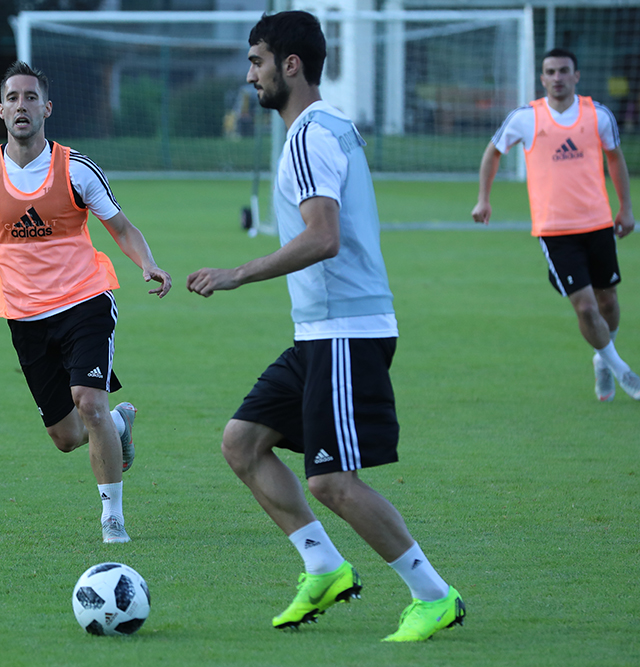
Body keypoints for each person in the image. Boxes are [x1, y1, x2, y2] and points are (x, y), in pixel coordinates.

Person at [186, 11, 464, 642]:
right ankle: (324, 567)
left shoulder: (311, 134)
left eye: (257, 62)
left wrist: (237, 273)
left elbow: (324, 236)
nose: (250, 76)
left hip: (346, 330)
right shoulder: (327, 126)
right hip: (320, 332)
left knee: (332, 480)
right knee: (242, 442)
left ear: (291, 65)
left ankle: (434, 595)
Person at [0, 61, 172, 544]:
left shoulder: (76, 169)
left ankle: (113, 520)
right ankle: (119, 424)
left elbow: (121, 228)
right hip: (25, 316)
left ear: (46, 108)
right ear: (0, 110)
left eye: (31, 97)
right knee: (67, 436)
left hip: (85, 299)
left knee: (89, 401)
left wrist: (147, 263)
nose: (21, 106)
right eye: (13, 98)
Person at [472, 48, 640, 403]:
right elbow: (493, 152)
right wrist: (483, 198)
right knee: (585, 306)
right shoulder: (525, 118)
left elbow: (616, 159)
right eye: (550, 72)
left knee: (608, 302)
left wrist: (626, 208)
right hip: (555, 231)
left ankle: (602, 358)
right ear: (542, 78)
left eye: (564, 71)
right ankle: (622, 370)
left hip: (598, 224)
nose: (557, 77)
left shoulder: (598, 115)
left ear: (576, 76)